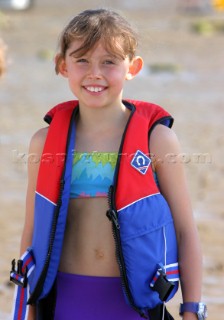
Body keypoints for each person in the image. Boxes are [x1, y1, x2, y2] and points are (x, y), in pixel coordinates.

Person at [15, 8, 205, 320]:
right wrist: (29, 309)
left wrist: (192, 309)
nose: (95, 73)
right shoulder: (44, 143)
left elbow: (186, 230)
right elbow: (32, 231)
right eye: (82, 60)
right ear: (62, 65)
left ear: (133, 67)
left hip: (134, 307)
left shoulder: (156, 141)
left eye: (109, 61)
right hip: (63, 303)